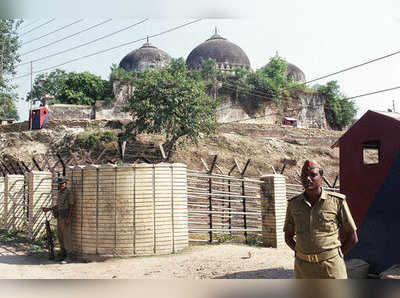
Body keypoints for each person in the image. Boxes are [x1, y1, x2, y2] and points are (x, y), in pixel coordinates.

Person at [283, 160, 358, 279]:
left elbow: (352, 237)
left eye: (313, 175)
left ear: (321, 178)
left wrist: (335, 256)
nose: (307, 178)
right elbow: (288, 237)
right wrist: (302, 252)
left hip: (331, 267)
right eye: (304, 175)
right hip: (303, 269)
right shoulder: (294, 204)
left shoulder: (337, 202)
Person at [42, 177, 74, 263]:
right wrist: (49, 209)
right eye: (60, 184)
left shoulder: (68, 193)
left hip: (65, 216)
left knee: (66, 236)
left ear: (65, 184)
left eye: (62, 183)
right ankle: (62, 253)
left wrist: (68, 218)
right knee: (60, 236)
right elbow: (58, 205)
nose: (61, 185)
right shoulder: (60, 193)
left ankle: (69, 256)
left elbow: (71, 205)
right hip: (60, 216)